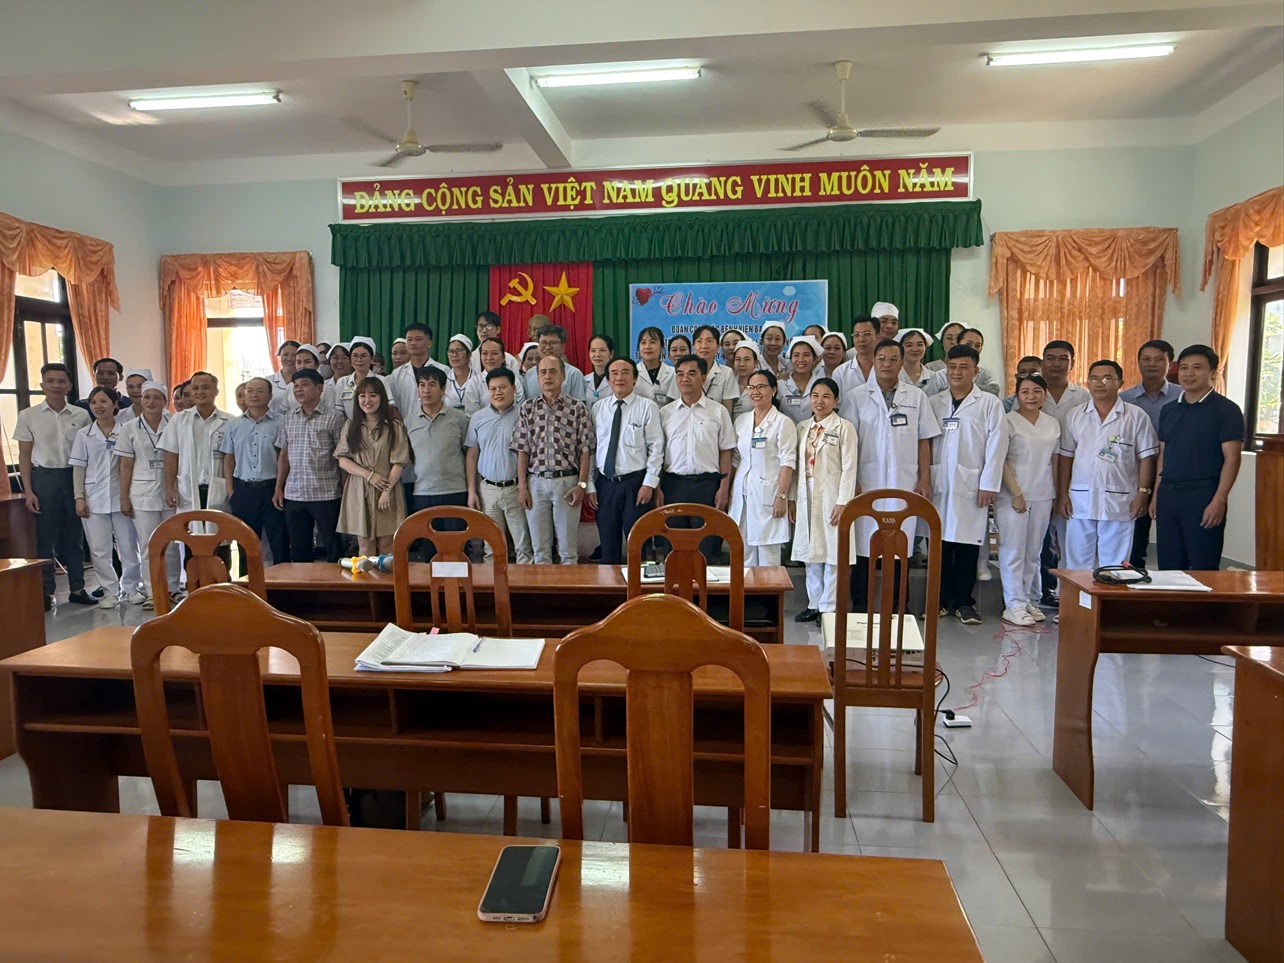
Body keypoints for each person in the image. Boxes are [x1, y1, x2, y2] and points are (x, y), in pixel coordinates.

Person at [845, 339, 940, 612]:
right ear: (874, 361)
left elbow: (924, 440)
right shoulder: (856, 397)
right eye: (881, 359)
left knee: (901, 545)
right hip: (867, 480)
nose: (886, 364)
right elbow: (849, 443)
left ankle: (900, 606)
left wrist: (924, 479)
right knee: (864, 546)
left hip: (904, 480)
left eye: (893, 359)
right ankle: (861, 606)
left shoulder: (916, 397)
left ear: (901, 363)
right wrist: (852, 479)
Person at [927, 345, 1006, 625]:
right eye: (952, 367)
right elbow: (924, 443)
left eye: (964, 367)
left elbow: (997, 445)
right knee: (939, 543)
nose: (957, 372)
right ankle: (937, 601)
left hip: (973, 484)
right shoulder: (934, 402)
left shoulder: (989, 403)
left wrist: (989, 484)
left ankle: (963, 602)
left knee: (967, 545)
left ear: (975, 370)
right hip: (939, 482)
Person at [1055, 360, 1158, 570]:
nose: (1099, 383)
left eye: (1107, 378)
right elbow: (1066, 457)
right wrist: (1063, 494)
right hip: (1080, 500)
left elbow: (1146, 457)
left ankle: (1111, 593)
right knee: (1077, 564)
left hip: (1120, 501)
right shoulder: (1075, 416)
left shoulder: (1136, 416)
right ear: (1088, 383)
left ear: (1120, 382)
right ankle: (1079, 594)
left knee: (1115, 565)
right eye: (1094, 378)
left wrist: (1142, 494)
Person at [1152, 344, 1244, 571]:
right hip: (1169, 493)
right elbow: (1164, 454)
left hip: (1203, 494)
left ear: (1212, 372)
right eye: (1184, 368)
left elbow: (1232, 459)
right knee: (1169, 564)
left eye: (1197, 368)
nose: (1189, 373)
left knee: (1203, 564)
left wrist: (1219, 500)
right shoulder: (1169, 409)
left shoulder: (1226, 410)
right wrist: (1156, 495)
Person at [512, 355, 595, 565]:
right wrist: (522, 487)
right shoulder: (527, 408)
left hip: (567, 483)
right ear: (538, 378)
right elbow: (522, 450)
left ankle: (568, 587)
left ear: (563, 375)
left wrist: (582, 485)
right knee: (540, 551)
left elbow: (586, 450)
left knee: (568, 551)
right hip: (536, 483)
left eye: (552, 371)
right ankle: (544, 588)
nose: (548, 376)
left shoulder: (577, 408)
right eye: (543, 372)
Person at [791, 378, 858, 622]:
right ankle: (814, 603)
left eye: (826, 396)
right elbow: (796, 467)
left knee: (833, 552)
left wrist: (843, 501)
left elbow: (850, 467)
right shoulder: (802, 427)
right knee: (811, 551)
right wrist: (792, 499)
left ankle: (829, 608)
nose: (820, 401)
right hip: (806, 493)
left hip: (832, 495)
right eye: (815, 395)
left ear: (836, 400)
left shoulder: (844, 428)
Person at [996, 373, 1060, 627]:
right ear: (1017, 395)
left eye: (1036, 391)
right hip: (1013, 496)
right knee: (1013, 550)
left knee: (1033, 551)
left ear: (1045, 395)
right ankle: (1013, 604)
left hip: (1043, 493)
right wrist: (1016, 493)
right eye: (1025, 392)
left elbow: (1054, 460)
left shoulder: (1052, 423)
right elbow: (1000, 460)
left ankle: (1028, 599)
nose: (1031, 396)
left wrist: (1056, 493)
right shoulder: (1008, 421)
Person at [70, 386, 142, 608]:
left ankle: (132, 588)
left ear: (115, 404)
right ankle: (110, 591)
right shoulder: (84, 434)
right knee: (99, 549)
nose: (98, 406)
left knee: (129, 546)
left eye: (103, 401)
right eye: (93, 402)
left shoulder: (127, 430)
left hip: (123, 496)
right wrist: (79, 497)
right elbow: (79, 468)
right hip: (93, 497)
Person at [586, 358, 663, 565]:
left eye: (625, 372)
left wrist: (649, 484)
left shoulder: (647, 407)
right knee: (608, 547)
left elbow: (656, 448)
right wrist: (590, 485)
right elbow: (592, 449)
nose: (619, 377)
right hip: (605, 485)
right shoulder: (598, 408)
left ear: (635, 379)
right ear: (608, 380)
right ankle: (610, 585)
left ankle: (638, 585)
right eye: (614, 373)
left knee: (637, 546)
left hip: (635, 485)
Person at [658, 356, 736, 560]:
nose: (685, 378)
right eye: (680, 374)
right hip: (673, 486)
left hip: (707, 486)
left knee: (706, 549)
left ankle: (705, 582)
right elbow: (657, 453)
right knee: (674, 548)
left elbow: (726, 451)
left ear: (703, 377)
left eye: (692, 373)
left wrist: (724, 489)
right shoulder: (665, 413)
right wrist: (657, 487)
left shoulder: (718, 411)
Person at [159, 370, 234, 573]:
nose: (200, 392)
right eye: (196, 388)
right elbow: (171, 455)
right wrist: (169, 487)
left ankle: (222, 587)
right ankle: (195, 588)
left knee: (220, 543)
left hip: (217, 487)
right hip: (189, 488)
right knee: (191, 542)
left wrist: (231, 489)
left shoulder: (229, 421)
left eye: (205, 388)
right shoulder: (179, 420)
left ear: (216, 390)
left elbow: (232, 459)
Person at [1038, 340, 1092, 604]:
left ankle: (1068, 597)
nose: (1056, 364)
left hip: (1073, 477)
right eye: (1050, 358)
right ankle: (1038, 592)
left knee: (1070, 541)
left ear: (1072, 363)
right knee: (1036, 542)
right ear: (1042, 363)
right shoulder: (1032, 392)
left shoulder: (1083, 396)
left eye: (1063, 358)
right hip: (1037, 475)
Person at [273, 369, 347, 563]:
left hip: (326, 493)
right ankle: (303, 583)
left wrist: (345, 490)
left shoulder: (334, 417)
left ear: (319, 388)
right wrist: (279, 487)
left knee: (333, 546)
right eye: (295, 386)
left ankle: (335, 582)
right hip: (294, 493)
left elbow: (342, 458)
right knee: (299, 549)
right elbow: (284, 455)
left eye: (304, 384)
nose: (298, 390)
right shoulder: (289, 417)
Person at [117, 381, 180, 608]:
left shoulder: (174, 423)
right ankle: (153, 592)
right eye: (146, 397)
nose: (151, 402)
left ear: (165, 401)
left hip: (171, 490)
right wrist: (124, 497)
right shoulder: (129, 428)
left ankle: (173, 588)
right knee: (148, 545)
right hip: (141, 493)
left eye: (156, 397)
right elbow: (125, 465)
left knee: (171, 543)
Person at [1120, 339, 1180, 567]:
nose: (1151, 364)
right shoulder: (1124, 399)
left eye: (1159, 359)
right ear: (1138, 363)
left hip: (1172, 472)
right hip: (1134, 472)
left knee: (1172, 536)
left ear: (1170, 364)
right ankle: (1134, 574)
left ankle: (1172, 580)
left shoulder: (1182, 396)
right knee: (1135, 532)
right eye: (1146, 359)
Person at [729, 370, 797, 566]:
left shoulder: (783, 423)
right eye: (751, 387)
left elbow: (788, 463)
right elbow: (736, 459)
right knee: (744, 555)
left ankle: (769, 590)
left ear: (773, 390)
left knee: (769, 559)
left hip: (770, 496)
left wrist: (781, 496)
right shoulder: (742, 421)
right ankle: (747, 589)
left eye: (761, 387)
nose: (755, 392)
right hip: (742, 496)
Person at [336, 377, 410, 557]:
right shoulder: (350, 426)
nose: (367, 400)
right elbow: (343, 460)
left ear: (382, 398)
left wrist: (386, 491)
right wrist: (369, 475)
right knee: (364, 544)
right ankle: (367, 577)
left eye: (373, 395)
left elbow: (399, 462)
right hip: (359, 488)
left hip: (387, 487)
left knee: (387, 544)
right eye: (362, 395)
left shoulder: (394, 426)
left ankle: (387, 577)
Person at [466, 367, 534, 564]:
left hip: (517, 488)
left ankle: (524, 583)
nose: (498, 392)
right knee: (491, 547)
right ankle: (493, 583)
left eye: (503, 387)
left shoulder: (526, 415)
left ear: (514, 388)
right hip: (487, 489)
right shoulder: (478, 418)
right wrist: (472, 491)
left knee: (523, 546)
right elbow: (472, 454)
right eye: (493, 389)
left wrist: (523, 488)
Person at [220, 376, 289, 568]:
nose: (253, 395)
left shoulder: (282, 422)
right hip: (244, 491)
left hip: (273, 489)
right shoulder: (233, 424)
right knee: (246, 544)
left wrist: (280, 487)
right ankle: (248, 584)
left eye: (260, 391)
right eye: (249, 391)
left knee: (280, 542)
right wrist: (231, 491)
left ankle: (283, 584)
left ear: (269, 396)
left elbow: (285, 457)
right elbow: (229, 458)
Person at [404, 365, 471, 558]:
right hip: (422, 493)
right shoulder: (409, 421)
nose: (426, 390)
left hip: (455, 492)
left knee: (457, 550)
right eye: (422, 385)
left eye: (432, 384)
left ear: (443, 389)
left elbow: (469, 454)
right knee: (430, 552)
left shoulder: (459, 419)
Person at [523, 324, 587, 403]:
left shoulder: (574, 374)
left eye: (553, 342)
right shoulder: (529, 374)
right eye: (543, 342)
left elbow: (579, 406)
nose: (547, 347)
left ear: (563, 347)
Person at [685, 324, 738, 416]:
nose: (704, 346)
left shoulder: (727, 373)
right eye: (699, 341)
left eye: (709, 341)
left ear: (718, 346)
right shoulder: (684, 372)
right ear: (693, 346)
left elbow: (727, 412)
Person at [336, 337, 395, 419]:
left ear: (372, 358)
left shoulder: (381, 380)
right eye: (355, 355)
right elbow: (339, 411)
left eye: (363, 356)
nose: (359, 359)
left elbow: (389, 407)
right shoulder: (342, 382)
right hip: (350, 425)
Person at [464, 336, 526, 414]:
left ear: (503, 357)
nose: (489, 358)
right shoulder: (474, 383)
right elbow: (472, 414)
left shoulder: (514, 381)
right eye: (485, 353)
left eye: (494, 353)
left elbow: (521, 409)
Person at [274, 344, 336, 416]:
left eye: (307, 362)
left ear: (317, 364)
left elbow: (331, 413)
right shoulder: (290, 387)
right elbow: (283, 414)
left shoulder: (327, 388)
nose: (302, 366)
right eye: (299, 362)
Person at [779, 335, 821, 424]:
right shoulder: (780, 384)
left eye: (806, 355)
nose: (801, 359)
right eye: (796, 355)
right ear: (791, 359)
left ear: (814, 359)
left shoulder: (821, 384)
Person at [834, 315, 879, 399]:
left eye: (867, 334)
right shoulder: (840, 373)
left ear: (877, 337)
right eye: (857, 335)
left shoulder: (886, 369)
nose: (861, 339)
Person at [634, 326, 677, 406]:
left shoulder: (673, 373)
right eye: (643, 342)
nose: (647, 347)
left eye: (652, 342)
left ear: (661, 347)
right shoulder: (632, 372)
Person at [954, 328, 1002, 397]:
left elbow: (994, 390)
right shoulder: (945, 373)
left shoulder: (984, 373)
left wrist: (967, 385)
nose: (973, 348)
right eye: (968, 344)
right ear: (957, 345)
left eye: (977, 346)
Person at [897, 329, 947, 394]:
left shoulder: (934, 378)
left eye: (920, 345)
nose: (915, 349)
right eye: (909, 345)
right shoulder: (894, 376)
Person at [443, 334, 475, 411]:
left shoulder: (478, 380)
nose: (454, 355)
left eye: (459, 350)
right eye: (451, 351)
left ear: (469, 354)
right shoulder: (443, 379)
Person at [584, 333, 616, 407]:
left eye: (602, 350)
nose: (597, 355)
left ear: (611, 353)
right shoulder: (584, 380)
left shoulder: (617, 380)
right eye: (593, 350)